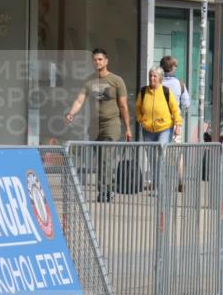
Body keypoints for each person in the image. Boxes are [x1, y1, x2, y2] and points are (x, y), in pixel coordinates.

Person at [65, 48, 132, 201]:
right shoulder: (89, 81)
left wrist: (127, 128)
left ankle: (105, 190)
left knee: (106, 156)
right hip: (95, 125)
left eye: (100, 59)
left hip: (111, 124)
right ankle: (108, 187)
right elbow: (79, 100)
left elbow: (123, 106)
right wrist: (71, 113)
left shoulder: (116, 80)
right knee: (101, 157)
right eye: (95, 60)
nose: (97, 62)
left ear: (106, 61)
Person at [136, 67, 183, 144]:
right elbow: (137, 107)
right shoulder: (143, 91)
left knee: (161, 150)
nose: (151, 78)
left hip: (165, 128)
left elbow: (175, 109)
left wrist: (178, 125)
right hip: (147, 129)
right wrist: (141, 119)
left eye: (154, 76)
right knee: (150, 154)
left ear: (160, 78)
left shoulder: (166, 91)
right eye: (150, 76)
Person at [160, 56, 190, 134]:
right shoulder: (180, 84)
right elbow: (186, 104)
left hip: (158, 122)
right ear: (173, 68)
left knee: (158, 145)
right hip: (174, 123)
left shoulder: (157, 83)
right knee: (174, 145)